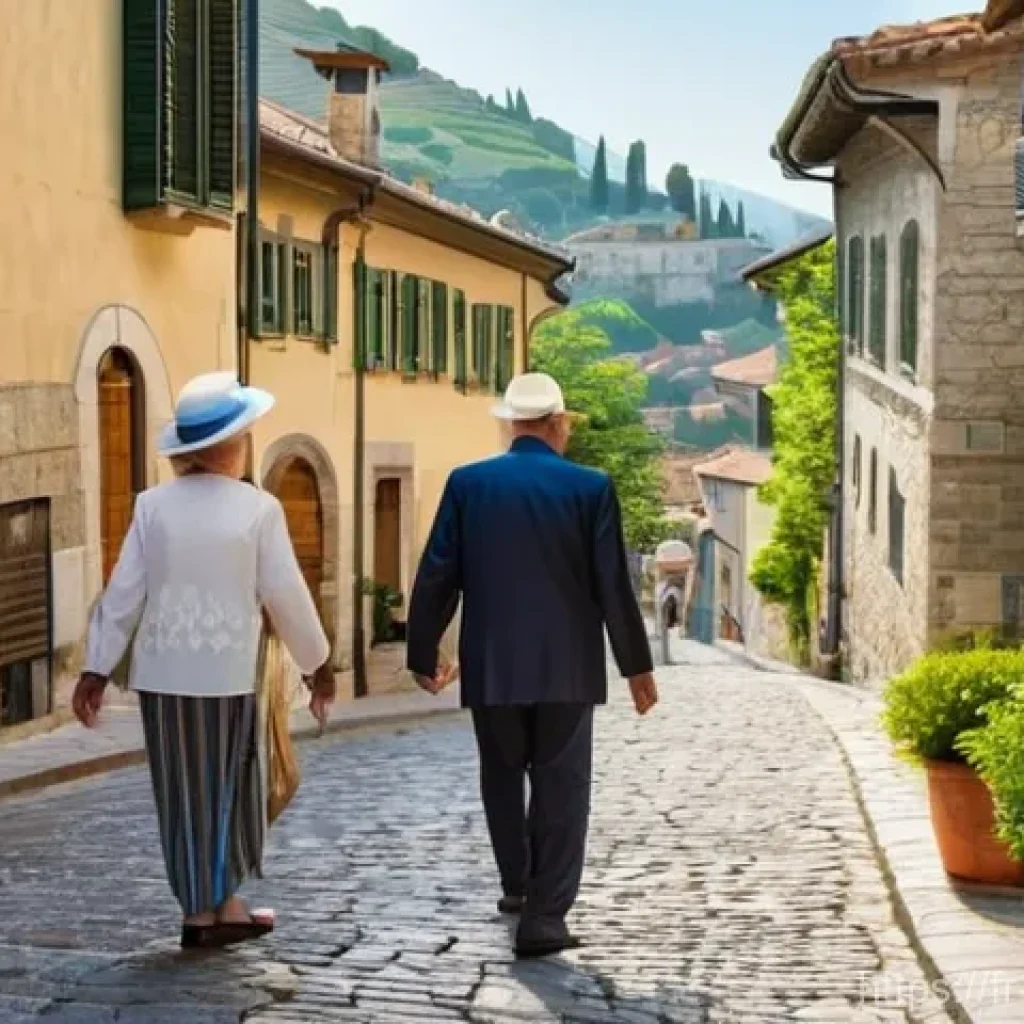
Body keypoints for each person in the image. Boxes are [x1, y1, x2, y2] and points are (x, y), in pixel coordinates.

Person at [72, 372, 335, 949]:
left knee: (181, 793)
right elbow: (285, 593)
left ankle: (205, 910)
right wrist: (318, 664)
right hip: (230, 675)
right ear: (232, 444)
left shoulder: (151, 506)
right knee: (234, 788)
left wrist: (95, 667)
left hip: (163, 678)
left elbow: (123, 593)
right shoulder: (259, 509)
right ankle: (222, 902)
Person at [406, 372, 658, 959]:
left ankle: (518, 886)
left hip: (491, 665)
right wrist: (636, 667)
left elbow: (437, 570)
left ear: (511, 424)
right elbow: (612, 584)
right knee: (561, 789)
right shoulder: (590, 487)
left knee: (500, 778)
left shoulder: (468, 483)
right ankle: (545, 918)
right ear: (558, 424)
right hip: (567, 668)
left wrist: (423, 653)